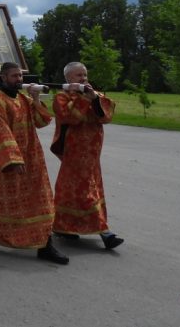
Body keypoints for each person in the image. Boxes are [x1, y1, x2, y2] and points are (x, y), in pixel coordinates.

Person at [0, 62, 68, 265]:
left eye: (20, 76)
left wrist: (36, 98)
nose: (19, 80)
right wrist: (12, 159)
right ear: (3, 78)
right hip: (8, 162)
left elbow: (42, 121)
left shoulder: (23, 98)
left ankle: (45, 245)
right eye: (14, 76)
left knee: (42, 201)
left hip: (32, 160)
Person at [51, 62, 124, 250]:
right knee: (86, 192)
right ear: (68, 79)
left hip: (92, 155)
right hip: (73, 153)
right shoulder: (61, 96)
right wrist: (83, 99)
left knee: (84, 190)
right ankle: (105, 233)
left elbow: (106, 116)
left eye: (84, 75)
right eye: (78, 76)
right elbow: (70, 117)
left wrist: (93, 99)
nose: (83, 78)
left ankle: (63, 226)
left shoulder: (94, 94)